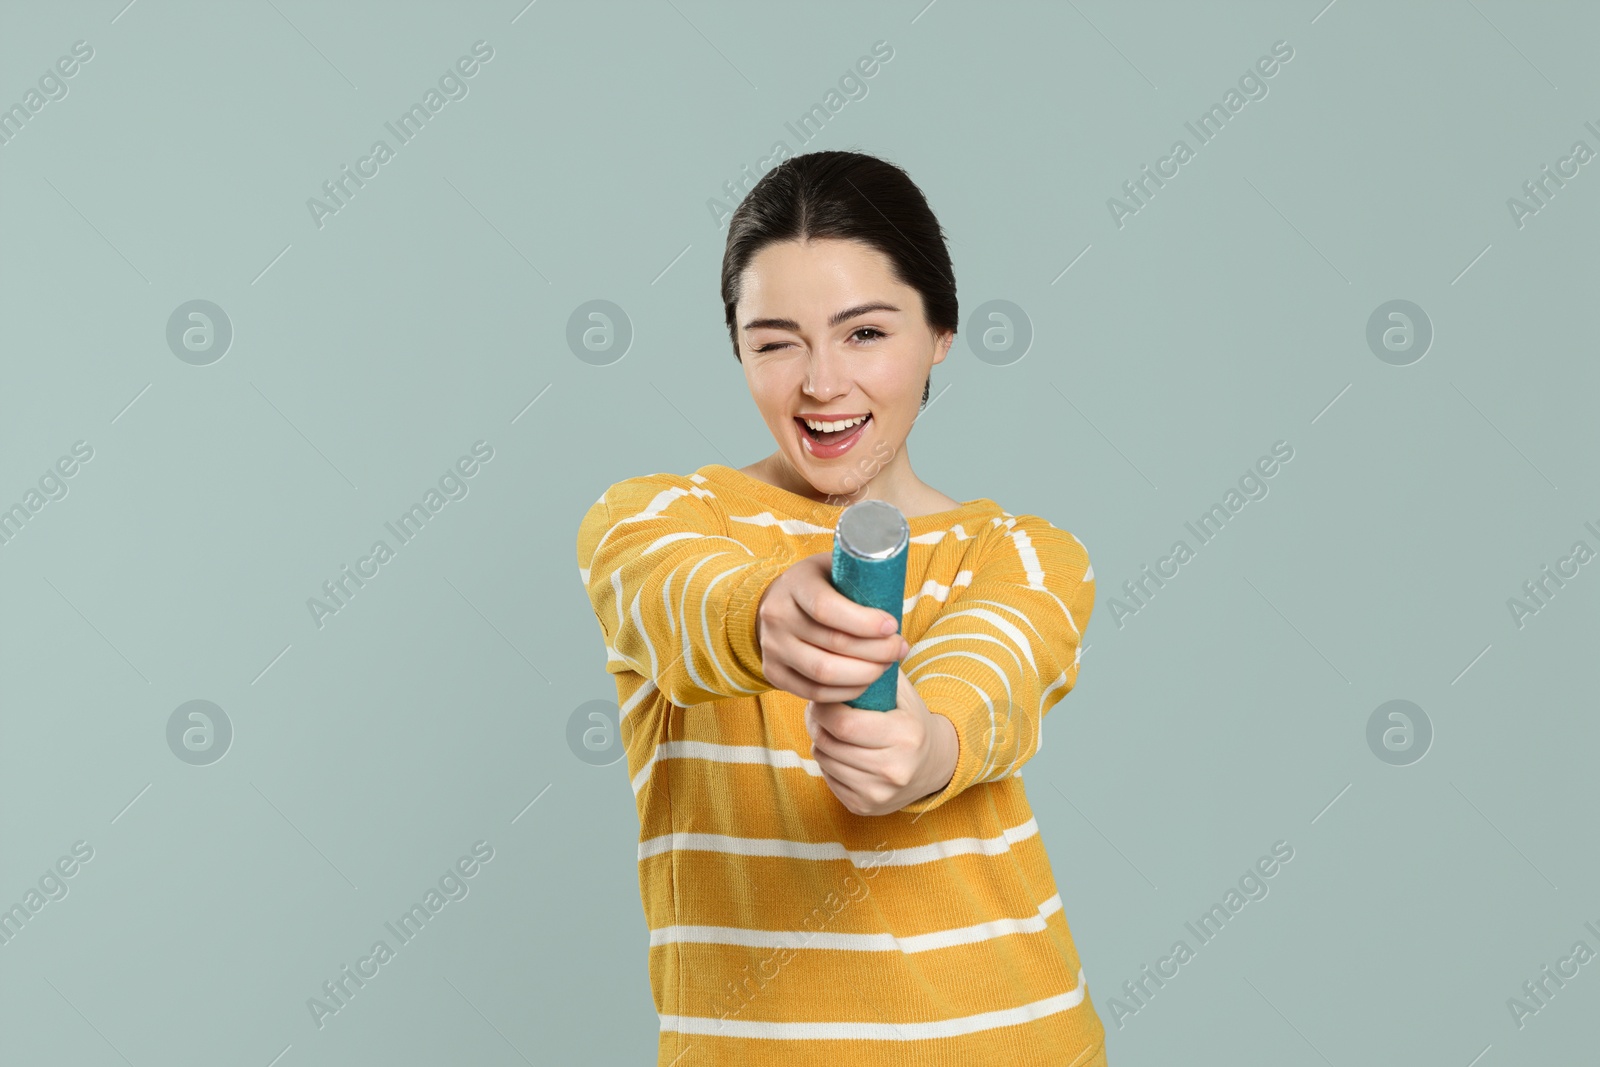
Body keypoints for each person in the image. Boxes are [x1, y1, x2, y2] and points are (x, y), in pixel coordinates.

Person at [576, 150, 1106, 1066]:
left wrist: (925, 746)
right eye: (775, 339)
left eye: (864, 333)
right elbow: (676, 594)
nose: (821, 383)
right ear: (736, 345)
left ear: (940, 331)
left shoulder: (1022, 553)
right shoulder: (658, 521)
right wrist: (764, 614)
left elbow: (993, 672)